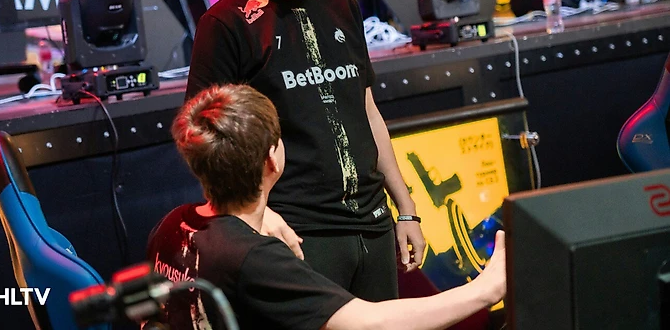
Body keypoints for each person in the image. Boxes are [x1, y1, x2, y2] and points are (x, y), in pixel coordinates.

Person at [183, 0, 425, 301]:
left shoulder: (343, 4)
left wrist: (405, 208)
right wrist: (256, 216)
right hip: (296, 233)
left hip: (374, 225)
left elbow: (366, 110)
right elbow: (203, 141)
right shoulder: (225, 23)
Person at [146, 84, 506, 330]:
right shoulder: (254, 257)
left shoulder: (172, 226)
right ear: (273, 159)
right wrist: (485, 289)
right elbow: (369, 323)